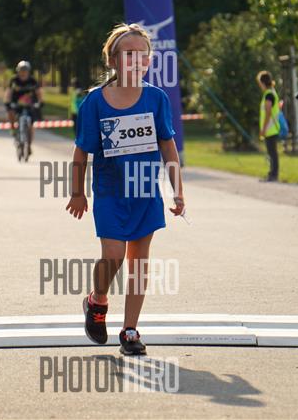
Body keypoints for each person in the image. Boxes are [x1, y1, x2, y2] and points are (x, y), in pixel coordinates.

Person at [65, 23, 185, 356]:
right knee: (114, 255)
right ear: (113, 60)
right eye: (128, 54)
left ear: (148, 61)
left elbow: (168, 146)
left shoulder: (156, 98)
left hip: (145, 192)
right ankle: (97, 299)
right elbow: (81, 150)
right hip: (110, 192)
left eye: (141, 54)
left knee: (139, 262)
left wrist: (177, 190)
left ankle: (130, 330)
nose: (135, 60)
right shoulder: (95, 101)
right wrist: (77, 192)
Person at [5, 61, 43, 156]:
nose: (23, 72)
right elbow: (9, 92)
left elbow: (39, 93)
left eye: (25, 70)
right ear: (18, 71)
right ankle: (13, 130)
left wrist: (40, 102)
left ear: (28, 71)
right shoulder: (14, 80)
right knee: (10, 112)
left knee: (31, 125)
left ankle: (29, 145)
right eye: (21, 70)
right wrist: (7, 102)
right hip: (17, 104)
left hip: (30, 104)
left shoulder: (32, 81)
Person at [257, 70, 280, 182]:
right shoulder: (271, 93)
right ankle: (272, 173)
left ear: (262, 83)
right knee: (271, 153)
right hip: (271, 128)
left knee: (272, 153)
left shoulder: (269, 95)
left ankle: (273, 175)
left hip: (270, 129)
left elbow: (268, 112)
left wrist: (263, 129)